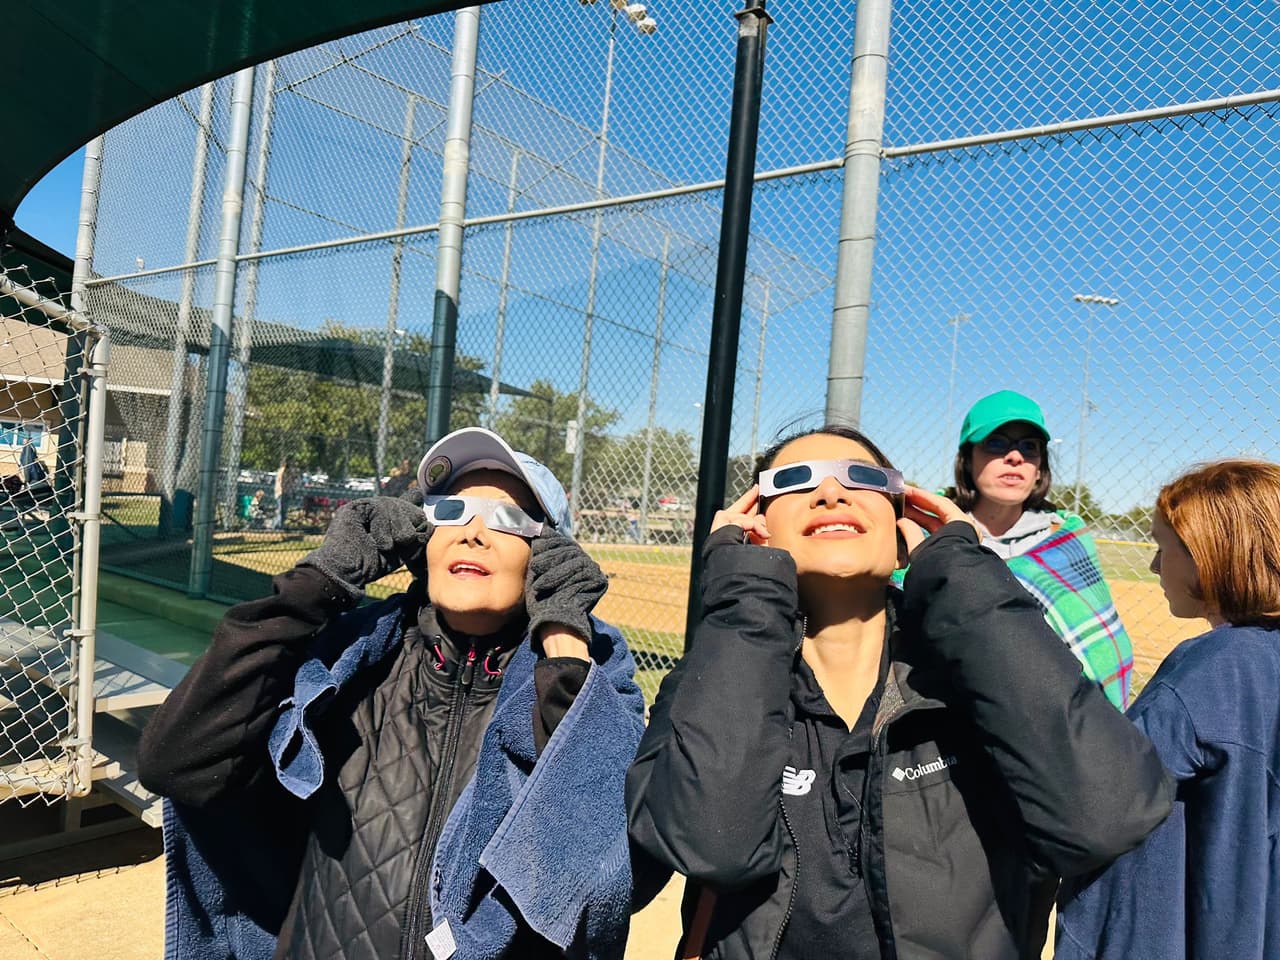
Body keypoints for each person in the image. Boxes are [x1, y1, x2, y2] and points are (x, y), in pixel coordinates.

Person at [627, 423, 1174, 960]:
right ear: (756, 525)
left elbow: (1105, 814)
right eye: (796, 479)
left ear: (903, 519)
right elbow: (713, 846)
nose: (831, 492)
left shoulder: (981, 675)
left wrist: (960, 569)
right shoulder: (721, 674)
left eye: (861, 477)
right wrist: (744, 599)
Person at [139, 427, 646, 960]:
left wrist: (564, 647)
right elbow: (176, 762)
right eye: (450, 510)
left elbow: (606, 878)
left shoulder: (591, 683)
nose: (472, 532)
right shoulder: (346, 654)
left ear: (552, 557)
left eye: (510, 519)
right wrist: (321, 581)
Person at [1056, 459, 1280, 960]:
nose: (1156, 567)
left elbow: (1099, 805)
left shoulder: (1212, 670)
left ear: (1210, 555)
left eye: (1163, 547)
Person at [947, 390, 1135, 708]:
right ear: (967, 458)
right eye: (996, 442)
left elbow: (1102, 657)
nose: (1015, 457)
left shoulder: (1066, 542)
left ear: (1040, 467)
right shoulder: (931, 535)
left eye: (1029, 447)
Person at [272, 454, 301, 530]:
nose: (292, 463)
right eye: (290, 462)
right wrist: (284, 490)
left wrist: (293, 490)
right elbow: (281, 482)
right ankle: (276, 526)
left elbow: (293, 480)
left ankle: (279, 526)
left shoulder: (290, 471)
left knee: (284, 511)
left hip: (288, 492)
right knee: (281, 510)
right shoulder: (282, 470)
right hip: (281, 492)